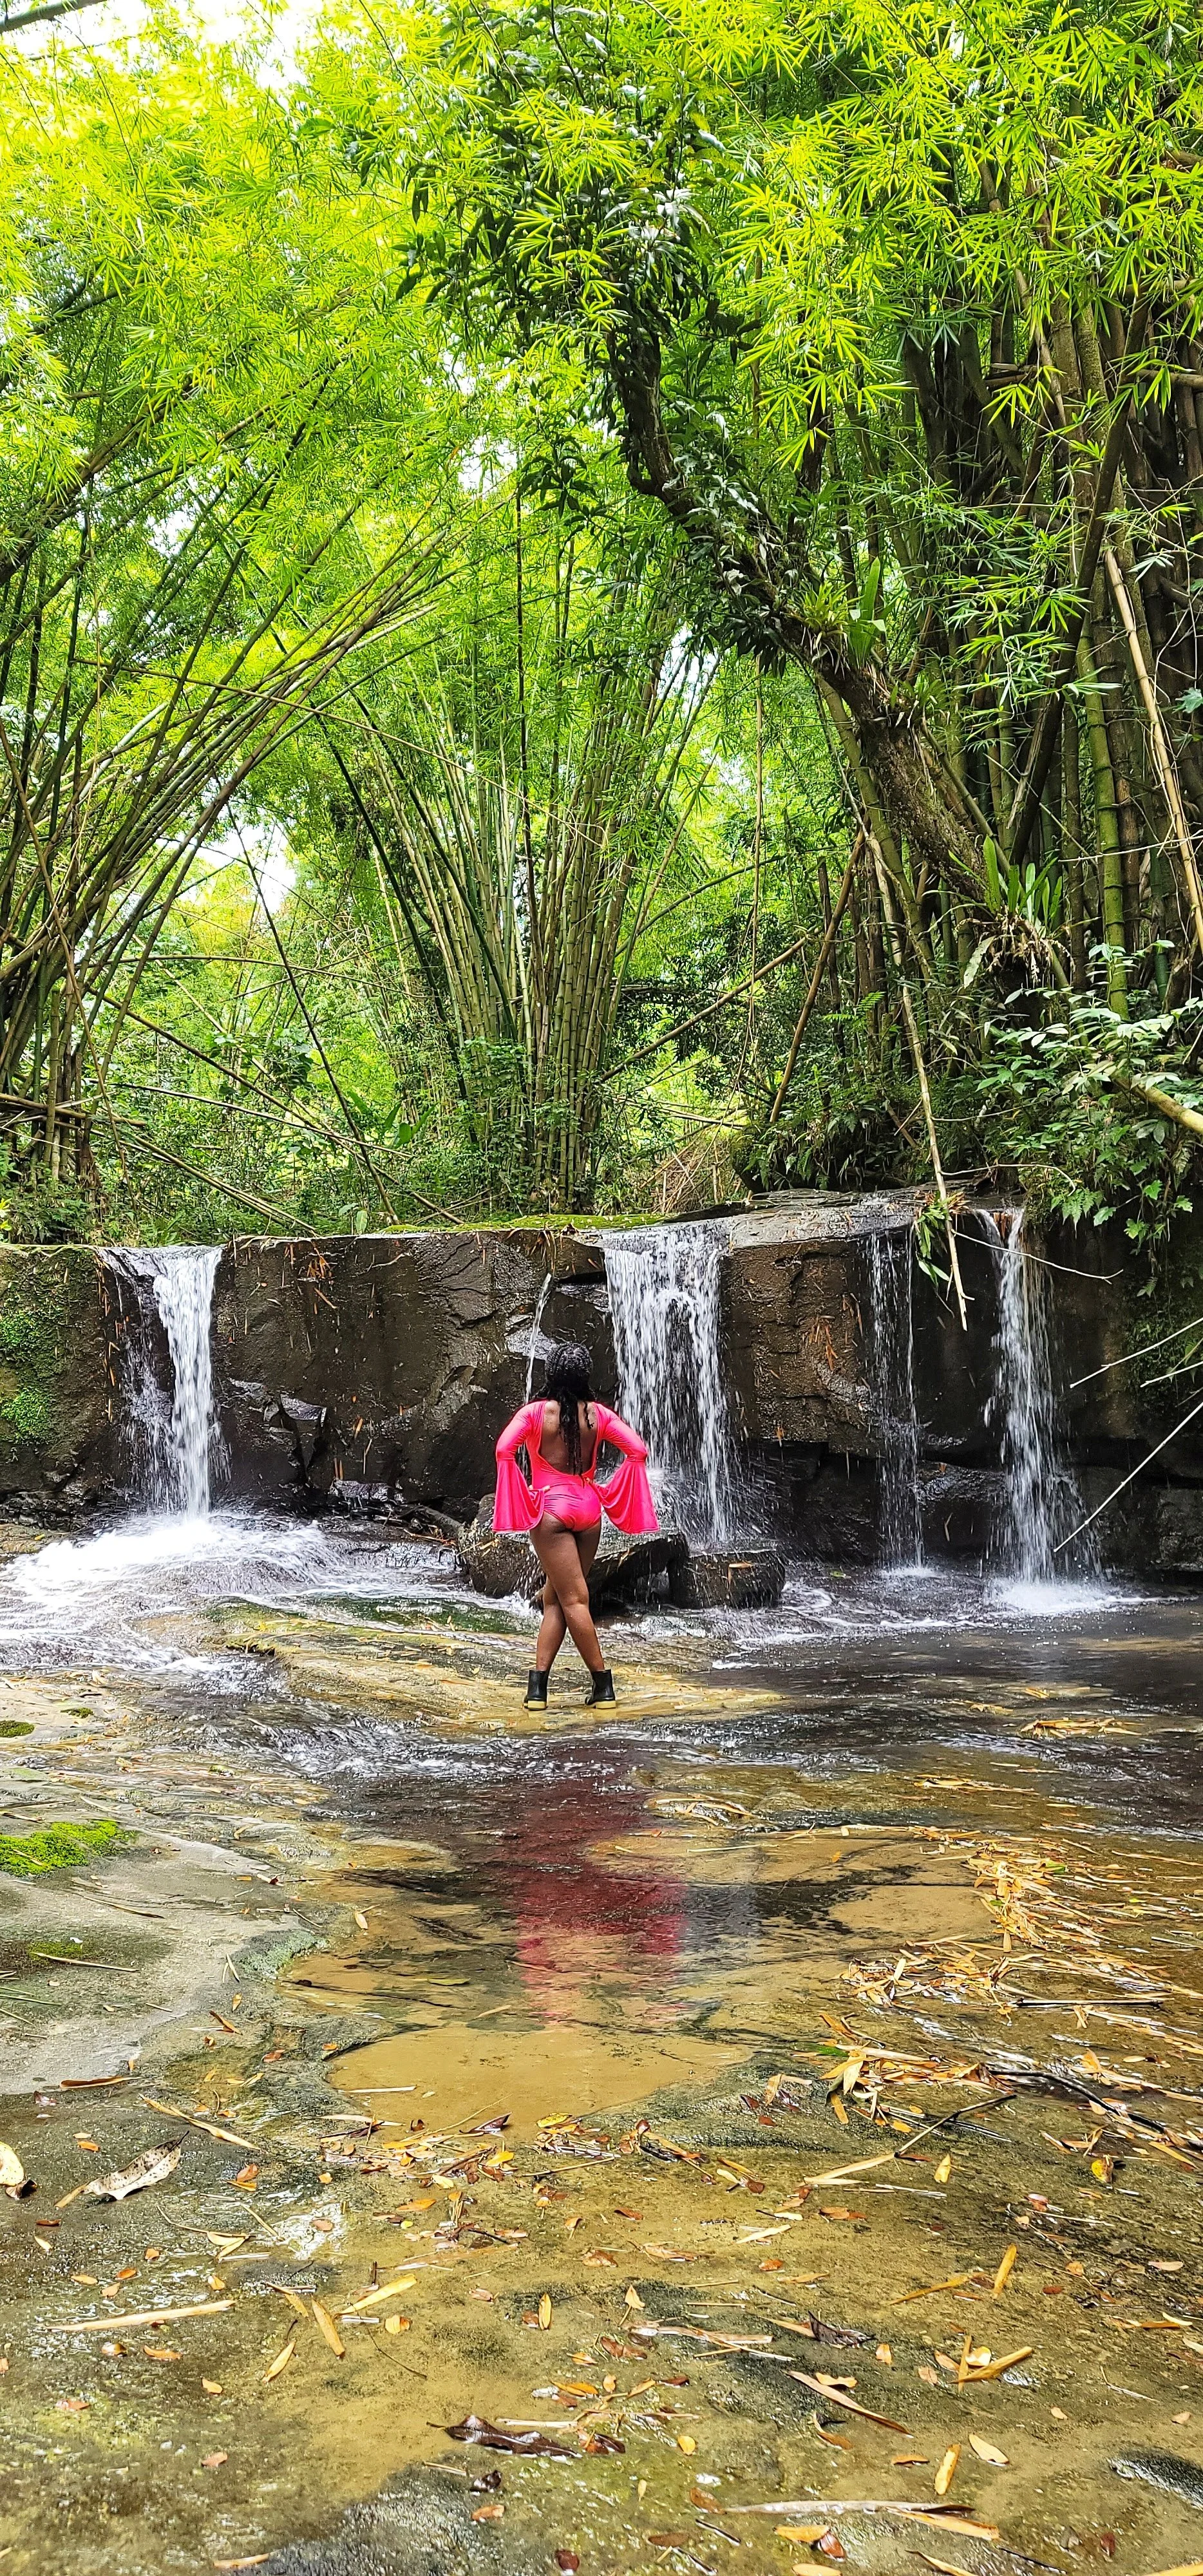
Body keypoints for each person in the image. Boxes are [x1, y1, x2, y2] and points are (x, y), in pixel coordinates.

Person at [493, 1342, 658, 1707]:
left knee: (573, 1599)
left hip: (550, 1511)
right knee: (555, 1598)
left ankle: (603, 1685)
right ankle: (537, 1687)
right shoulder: (598, 1416)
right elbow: (638, 1451)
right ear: (585, 1377)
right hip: (589, 1510)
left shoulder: (535, 1414)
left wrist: (522, 1492)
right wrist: (611, 1488)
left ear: (551, 1374)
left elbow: (505, 1450)